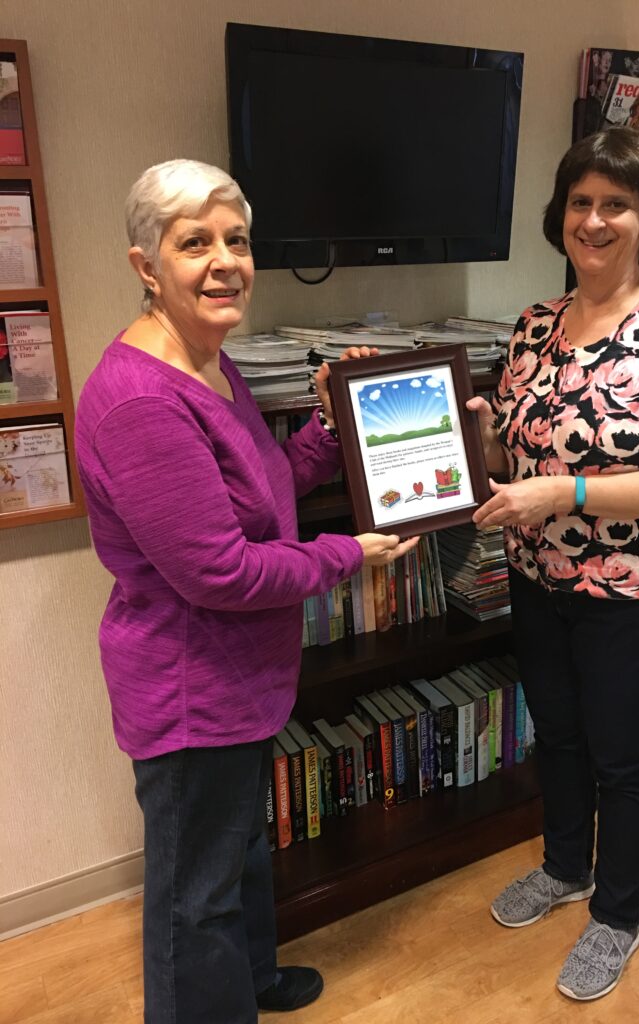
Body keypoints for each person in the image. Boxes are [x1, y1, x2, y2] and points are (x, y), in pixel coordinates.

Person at [75, 158, 418, 1024]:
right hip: (191, 688)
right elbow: (220, 570)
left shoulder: (207, 362)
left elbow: (262, 492)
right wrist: (348, 555)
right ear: (146, 265)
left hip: (240, 679)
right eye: (196, 242)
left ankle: (253, 979)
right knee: (196, 895)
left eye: (238, 240)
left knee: (237, 852)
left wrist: (328, 427)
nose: (226, 260)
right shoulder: (141, 400)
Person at [467, 127, 639, 1001]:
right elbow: (507, 450)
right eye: (581, 202)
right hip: (541, 585)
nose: (594, 219)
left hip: (632, 593)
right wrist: (461, 420)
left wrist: (562, 494)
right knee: (560, 739)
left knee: (624, 761)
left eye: (614, 203)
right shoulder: (535, 326)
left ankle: (617, 914)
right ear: (561, 215)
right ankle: (562, 870)